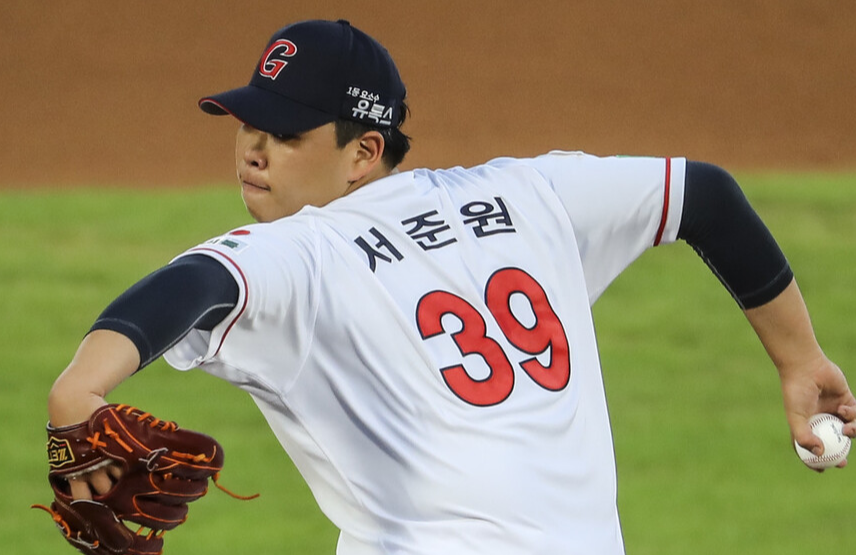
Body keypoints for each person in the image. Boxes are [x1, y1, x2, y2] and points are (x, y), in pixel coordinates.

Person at [47, 18, 856, 554]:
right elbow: (703, 193)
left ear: (363, 152)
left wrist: (80, 387)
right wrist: (800, 359)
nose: (253, 149)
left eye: (286, 132)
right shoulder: (530, 195)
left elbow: (192, 285)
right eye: (247, 123)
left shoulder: (302, 251)